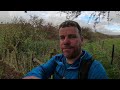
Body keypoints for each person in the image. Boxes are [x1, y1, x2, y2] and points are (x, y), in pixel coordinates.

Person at [23, 20, 108, 79]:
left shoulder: (95, 69)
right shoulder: (57, 59)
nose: (65, 42)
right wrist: (33, 76)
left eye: (72, 37)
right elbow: (43, 70)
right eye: (62, 37)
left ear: (81, 40)